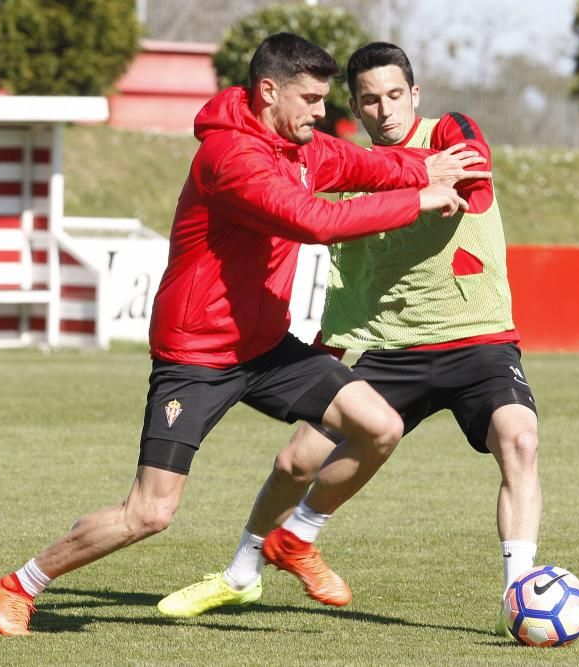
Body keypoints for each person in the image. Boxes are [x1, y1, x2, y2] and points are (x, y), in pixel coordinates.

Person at [0, 33, 489, 636]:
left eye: (326, 100)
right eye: (312, 99)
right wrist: (421, 197)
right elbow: (313, 221)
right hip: (197, 356)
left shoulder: (298, 145)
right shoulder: (230, 159)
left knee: (380, 426)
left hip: (267, 348)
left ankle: (296, 538)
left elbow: (365, 164)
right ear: (269, 92)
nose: (323, 114)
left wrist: (433, 163)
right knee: (150, 512)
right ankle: (19, 584)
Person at [156, 42, 542, 638]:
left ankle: (520, 593)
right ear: (356, 110)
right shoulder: (345, 174)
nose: (385, 110)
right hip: (389, 347)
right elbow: (346, 270)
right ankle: (241, 574)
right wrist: (329, 351)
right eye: (369, 100)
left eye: (394, 95)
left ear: (414, 94)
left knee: (518, 441)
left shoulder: (449, 132)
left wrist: (435, 185)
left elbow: (477, 178)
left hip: (477, 340)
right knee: (296, 459)